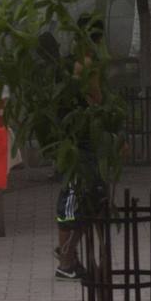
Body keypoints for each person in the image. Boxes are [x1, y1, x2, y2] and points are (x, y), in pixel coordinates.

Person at [55, 14, 107, 281]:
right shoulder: (87, 64)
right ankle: (66, 259)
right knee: (78, 201)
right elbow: (96, 99)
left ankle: (71, 256)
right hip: (82, 141)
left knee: (84, 199)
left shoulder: (67, 62)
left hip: (71, 138)